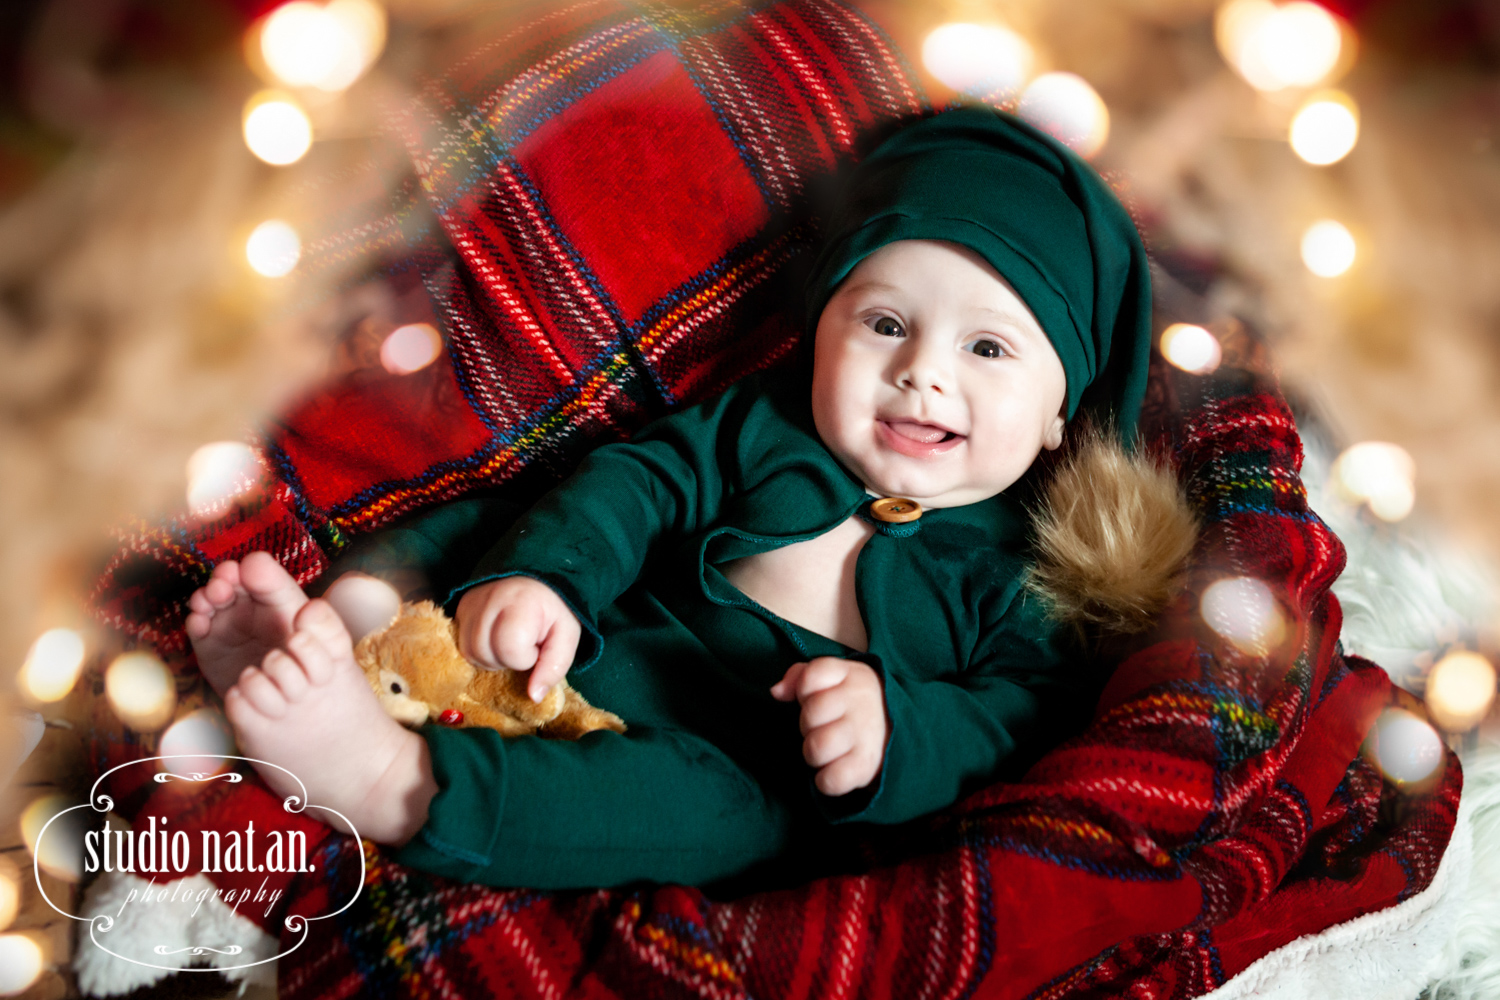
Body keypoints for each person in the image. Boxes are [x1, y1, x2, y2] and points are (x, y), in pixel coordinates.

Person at [184, 105, 1152, 890]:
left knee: (697, 811)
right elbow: (639, 486)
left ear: (1061, 412)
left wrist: (900, 729)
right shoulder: (765, 426)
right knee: (518, 518)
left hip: (740, 763)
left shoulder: (1019, 569)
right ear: (821, 332)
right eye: (886, 323)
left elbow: (1020, 716)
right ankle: (357, 627)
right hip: (594, 641)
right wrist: (549, 582)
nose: (922, 375)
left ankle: (390, 782)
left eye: (987, 349)